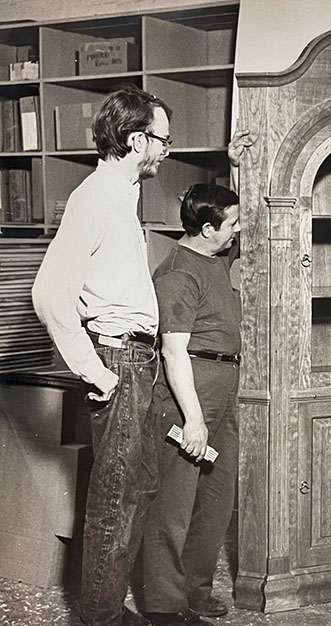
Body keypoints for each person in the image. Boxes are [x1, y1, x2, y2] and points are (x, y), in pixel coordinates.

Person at [32, 85, 172, 626]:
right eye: (161, 139)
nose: (165, 150)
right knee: (115, 500)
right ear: (137, 141)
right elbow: (48, 293)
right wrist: (95, 370)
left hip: (138, 360)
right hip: (119, 361)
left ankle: (107, 609)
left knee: (137, 489)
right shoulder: (96, 195)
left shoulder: (122, 193)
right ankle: (99, 618)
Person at [139, 184, 242, 626]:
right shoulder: (179, 272)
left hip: (224, 390)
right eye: (232, 224)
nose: (238, 231)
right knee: (174, 506)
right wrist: (194, 420)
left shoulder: (214, 258)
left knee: (217, 499)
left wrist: (236, 166)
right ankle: (164, 605)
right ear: (206, 228)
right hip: (190, 395)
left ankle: (196, 591)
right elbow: (173, 352)